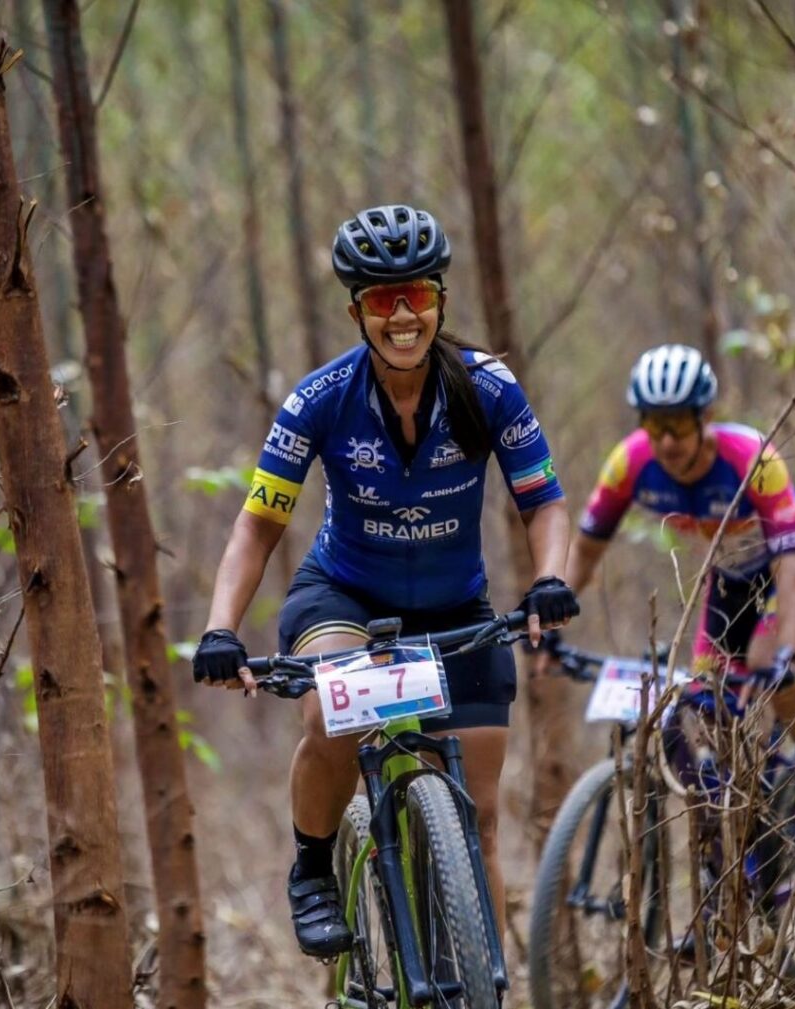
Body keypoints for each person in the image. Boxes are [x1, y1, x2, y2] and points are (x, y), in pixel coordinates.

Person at [193, 204, 578, 958]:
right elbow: (259, 524)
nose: (402, 316)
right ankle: (312, 868)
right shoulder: (320, 399)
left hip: (455, 608)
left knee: (482, 822)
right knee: (333, 715)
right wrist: (219, 626)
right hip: (347, 598)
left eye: (417, 296)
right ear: (355, 311)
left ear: (441, 300)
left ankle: (479, 983)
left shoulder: (489, 387)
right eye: (380, 299)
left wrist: (550, 579)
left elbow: (546, 503)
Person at [544, 343, 795, 803]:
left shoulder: (750, 459)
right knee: (705, 698)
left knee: (768, 663)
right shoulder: (630, 465)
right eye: (653, 424)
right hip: (732, 579)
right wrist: (549, 620)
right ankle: (746, 814)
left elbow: (790, 569)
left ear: (706, 417)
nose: (665, 441)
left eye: (679, 423)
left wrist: (789, 648)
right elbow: (584, 552)